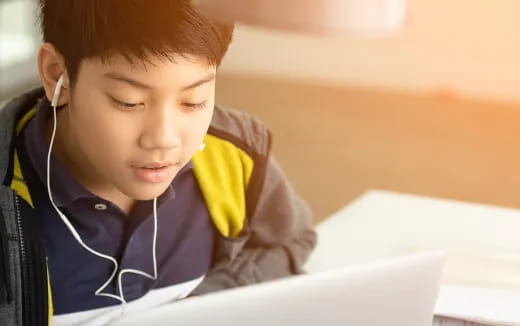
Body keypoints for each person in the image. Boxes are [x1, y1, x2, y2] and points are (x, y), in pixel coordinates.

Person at [0, 0, 316, 324]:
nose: (165, 139)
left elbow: (291, 241)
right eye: (129, 101)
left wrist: (203, 307)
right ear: (58, 75)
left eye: (193, 101)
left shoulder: (233, 154)